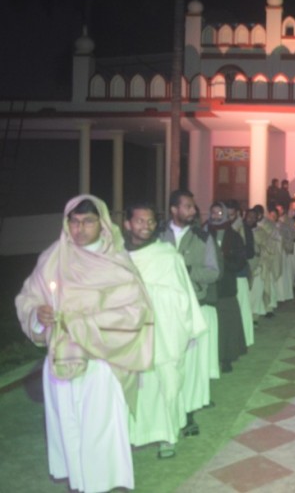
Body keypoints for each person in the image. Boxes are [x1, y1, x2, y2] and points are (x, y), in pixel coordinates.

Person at [15, 195, 154, 492]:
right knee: (68, 426)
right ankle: (79, 484)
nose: (79, 229)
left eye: (88, 221)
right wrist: (38, 315)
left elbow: (135, 312)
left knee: (99, 430)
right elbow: (28, 298)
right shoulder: (53, 258)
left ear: (102, 223)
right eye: (74, 222)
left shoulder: (116, 262)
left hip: (101, 360)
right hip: (62, 359)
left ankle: (100, 485)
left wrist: (81, 324)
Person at [124, 202, 206, 459]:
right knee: (137, 388)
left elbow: (184, 295)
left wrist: (148, 293)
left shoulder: (167, 256)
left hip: (165, 333)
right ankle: (133, 435)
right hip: (132, 336)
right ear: (127, 224)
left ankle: (167, 437)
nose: (146, 226)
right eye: (139, 221)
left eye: (150, 221)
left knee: (167, 385)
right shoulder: (117, 259)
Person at [159, 189, 220, 437]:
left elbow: (214, 272)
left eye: (193, 207)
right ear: (174, 209)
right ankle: (167, 414)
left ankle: (188, 413)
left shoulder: (202, 238)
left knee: (191, 365)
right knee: (169, 364)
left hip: (194, 305)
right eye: (187, 206)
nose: (193, 211)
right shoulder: (158, 237)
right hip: (165, 310)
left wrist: (187, 270)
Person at [205, 202, 248, 373]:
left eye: (219, 213)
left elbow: (240, 261)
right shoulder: (204, 233)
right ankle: (210, 358)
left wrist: (223, 260)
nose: (216, 216)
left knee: (227, 324)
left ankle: (226, 358)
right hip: (208, 285)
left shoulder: (233, 236)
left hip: (226, 285)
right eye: (213, 212)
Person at [226, 199, 255, 348]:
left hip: (239, 273)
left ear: (237, 213)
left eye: (231, 215)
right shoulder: (221, 229)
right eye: (226, 215)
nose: (228, 218)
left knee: (243, 307)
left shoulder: (244, 229)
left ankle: (246, 338)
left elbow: (250, 252)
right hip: (225, 275)